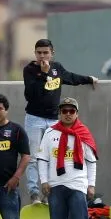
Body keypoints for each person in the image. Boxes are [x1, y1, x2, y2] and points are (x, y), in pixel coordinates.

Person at [22, 39, 98, 205]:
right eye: (39, 52)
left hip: (53, 119)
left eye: (45, 52)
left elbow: (71, 77)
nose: (42, 56)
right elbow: (30, 94)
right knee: (34, 156)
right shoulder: (30, 70)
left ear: (52, 53)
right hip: (34, 118)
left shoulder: (57, 68)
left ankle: (48, 192)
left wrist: (89, 79)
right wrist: (43, 74)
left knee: (52, 156)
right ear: (35, 53)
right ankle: (34, 193)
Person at [37, 98, 97, 219]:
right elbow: (42, 159)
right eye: (65, 111)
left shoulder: (83, 132)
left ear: (77, 113)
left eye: (72, 111)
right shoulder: (50, 133)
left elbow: (91, 161)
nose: (68, 114)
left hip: (78, 185)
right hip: (55, 186)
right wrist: (44, 180)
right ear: (60, 113)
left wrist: (91, 185)